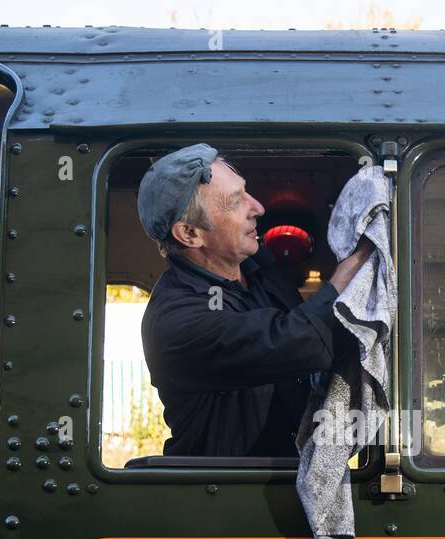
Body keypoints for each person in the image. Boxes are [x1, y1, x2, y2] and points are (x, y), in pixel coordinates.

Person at [137, 143, 373, 457]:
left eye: (246, 192)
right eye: (236, 202)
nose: (258, 207)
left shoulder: (257, 270)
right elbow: (295, 339)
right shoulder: (176, 321)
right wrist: (357, 263)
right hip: (222, 494)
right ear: (190, 234)